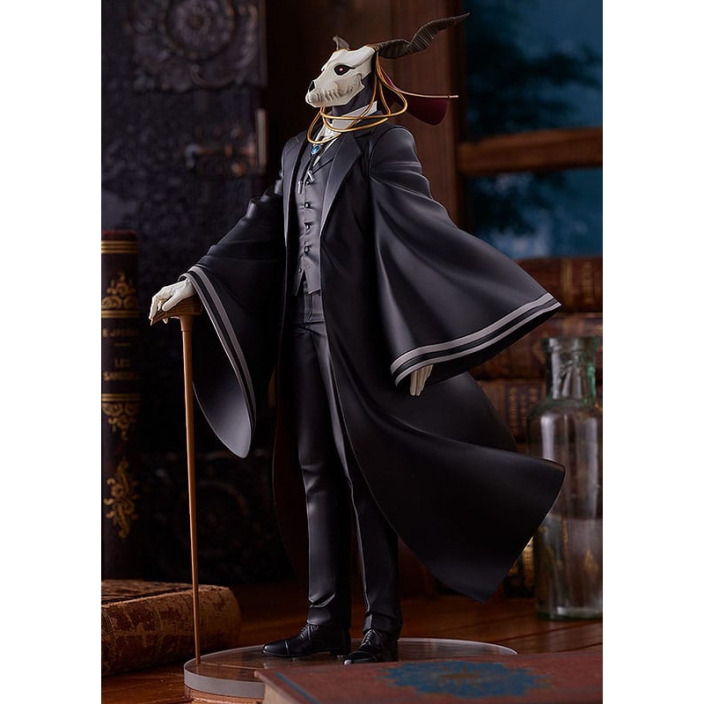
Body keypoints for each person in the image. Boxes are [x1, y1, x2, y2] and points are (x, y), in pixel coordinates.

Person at [149, 15, 564, 665]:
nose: (324, 76)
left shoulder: (383, 144)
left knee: (366, 477)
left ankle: (380, 626)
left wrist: (418, 340)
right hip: (299, 334)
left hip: (357, 340)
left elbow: (417, 231)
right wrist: (196, 282)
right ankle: (323, 621)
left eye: (341, 69)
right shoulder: (299, 148)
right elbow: (263, 224)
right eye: (327, 67)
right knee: (313, 471)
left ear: (371, 80)